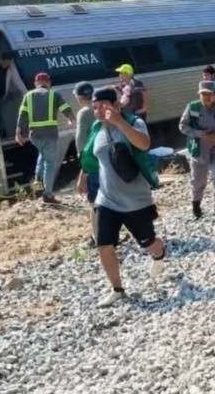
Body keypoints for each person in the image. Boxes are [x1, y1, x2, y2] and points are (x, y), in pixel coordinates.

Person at [80, 87, 166, 308]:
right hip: (106, 199)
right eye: (95, 107)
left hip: (136, 199)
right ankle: (117, 289)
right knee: (104, 244)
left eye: (102, 107)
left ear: (116, 106)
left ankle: (159, 254)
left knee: (148, 242)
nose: (97, 112)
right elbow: (93, 155)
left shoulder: (133, 122)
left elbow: (144, 144)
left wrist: (119, 122)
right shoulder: (96, 127)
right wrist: (82, 176)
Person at [179, 81, 215, 219]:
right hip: (199, 150)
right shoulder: (192, 107)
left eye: (209, 94)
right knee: (198, 181)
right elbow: (182, 126)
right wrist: (201, 134)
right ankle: (196, 208)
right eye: (203, 94)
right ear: (199, 95)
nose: (206, 97)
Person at [15, 72, 75, 203]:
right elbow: (65, 108)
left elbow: (22, 115)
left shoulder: (28, 96)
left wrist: (19, 133)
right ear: (49, 83)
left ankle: (37, 186)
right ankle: (47, 194)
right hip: (50, 134)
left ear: (36, 83)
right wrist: (72, 119)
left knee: (41, 158)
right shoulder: (54, 94)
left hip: (35, 136)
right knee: (49, 164)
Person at [73, 81, 99, 243]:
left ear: (78, 97)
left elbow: (80, 141)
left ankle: (98, 236)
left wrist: (83, 168)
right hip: (106, 159)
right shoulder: (101, 108)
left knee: (95, 202)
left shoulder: (84, 112)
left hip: (93, 162)